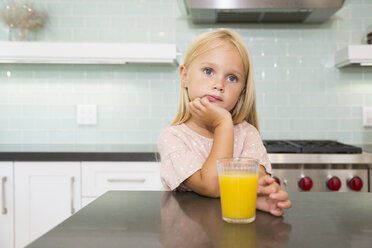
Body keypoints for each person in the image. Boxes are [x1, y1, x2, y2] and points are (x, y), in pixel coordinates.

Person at [157, 29, 292, 216]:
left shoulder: (247, 134)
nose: (219, 84)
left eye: (232, 78)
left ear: (242, 92)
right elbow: (212, 186)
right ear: (184, 76)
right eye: (208, 71)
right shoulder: (172, 138)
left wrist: (261, 193)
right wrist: (223, 123)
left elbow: (256, 180)